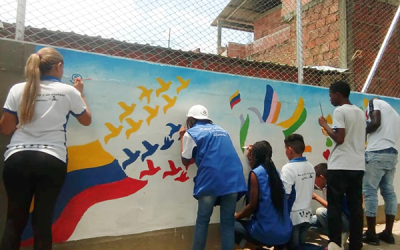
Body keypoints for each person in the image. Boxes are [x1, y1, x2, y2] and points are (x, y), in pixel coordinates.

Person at [0, 47, 91, 250]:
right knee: (42, 222)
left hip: (17, 158)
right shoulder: (69, 91)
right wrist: (80, 94)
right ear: (58, 66)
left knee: (14, 220)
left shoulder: (17, 89)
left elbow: (6, 128)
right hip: (52, 159)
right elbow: (86, 120)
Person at [179, 104, 247, 250]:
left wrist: (181, 139)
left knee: (203, 221)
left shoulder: (190, 133)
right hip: (233, 180)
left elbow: (185, 161)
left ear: (191, 119)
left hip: (210, 181)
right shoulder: (222, 130)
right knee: (227, 223)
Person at [318, 80, 365, 250]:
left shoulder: (340, 111)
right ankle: (356, 244)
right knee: (355, 207)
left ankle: (335, 244)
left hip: (340, 166)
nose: (330, 99)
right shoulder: (360, 112)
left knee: (335, 207)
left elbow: (339, 138)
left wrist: (325, 125)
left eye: (331, 95)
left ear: (338, 94)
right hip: (358, 165)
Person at [234, 141, 292, 250]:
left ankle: (256, 248)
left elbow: (252, 207)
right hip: (285, 233)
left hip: (267, 232)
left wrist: (236, 216)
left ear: (254, 155)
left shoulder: (255, 174)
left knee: (230, 226)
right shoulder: (275, 172)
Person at [362, 98, 400, 245]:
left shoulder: (373, 102)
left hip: (377, 152)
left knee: (370, 191)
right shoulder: (395, 115)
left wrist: (361, 131)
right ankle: (388, 233)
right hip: (392, 153)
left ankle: (371, 233)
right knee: (389, 192)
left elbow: (375, 123)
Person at [281, 134, 315, 250]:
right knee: (301, 245)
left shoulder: (288, 168)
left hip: (293, 216)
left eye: (285, 148)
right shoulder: (310, 167)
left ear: (289, 150)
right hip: (307, 215)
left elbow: (286, 194)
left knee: (294, 247)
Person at [310, 163, 350, 248]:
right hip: (335, 216)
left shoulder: (334, 188)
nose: (314, 183)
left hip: (345, 220)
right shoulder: (324, 185)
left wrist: (316, 197)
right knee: (309, 221)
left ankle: (336, 238)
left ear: (321, 178)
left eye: (314, 179)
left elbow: (333, 207)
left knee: (320, 212)